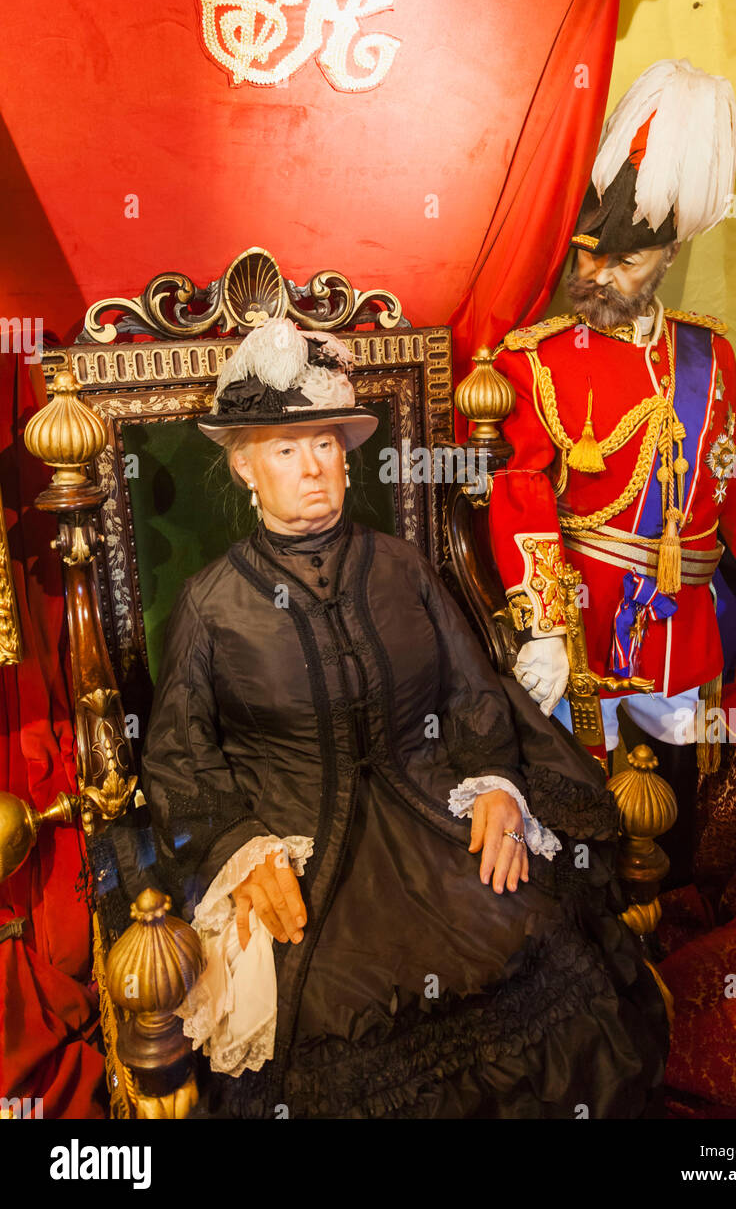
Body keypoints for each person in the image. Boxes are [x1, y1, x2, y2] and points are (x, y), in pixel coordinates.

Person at [141, 318, 668, 1119]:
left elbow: (473, 690)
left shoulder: (403, 566)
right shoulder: (210, 604)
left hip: (438, 818)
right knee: (339, 1010)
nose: (313, 470)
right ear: (245, 467)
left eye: (325, 445)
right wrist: (240, 851)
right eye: (286, 450)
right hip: (301, 852)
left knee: (525, 934)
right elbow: (179, 754)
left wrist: (496, 785)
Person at [487, 60, 736, 887]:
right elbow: (522, 491)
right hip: (590, 619)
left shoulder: (711, 353)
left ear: (668, 253)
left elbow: (735, 476)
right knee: (589, 812)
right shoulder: (535, 362)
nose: (597, 277)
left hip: (692, 625)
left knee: (678, 797)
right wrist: (539, 621)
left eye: (624, 263)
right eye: (590, 255)